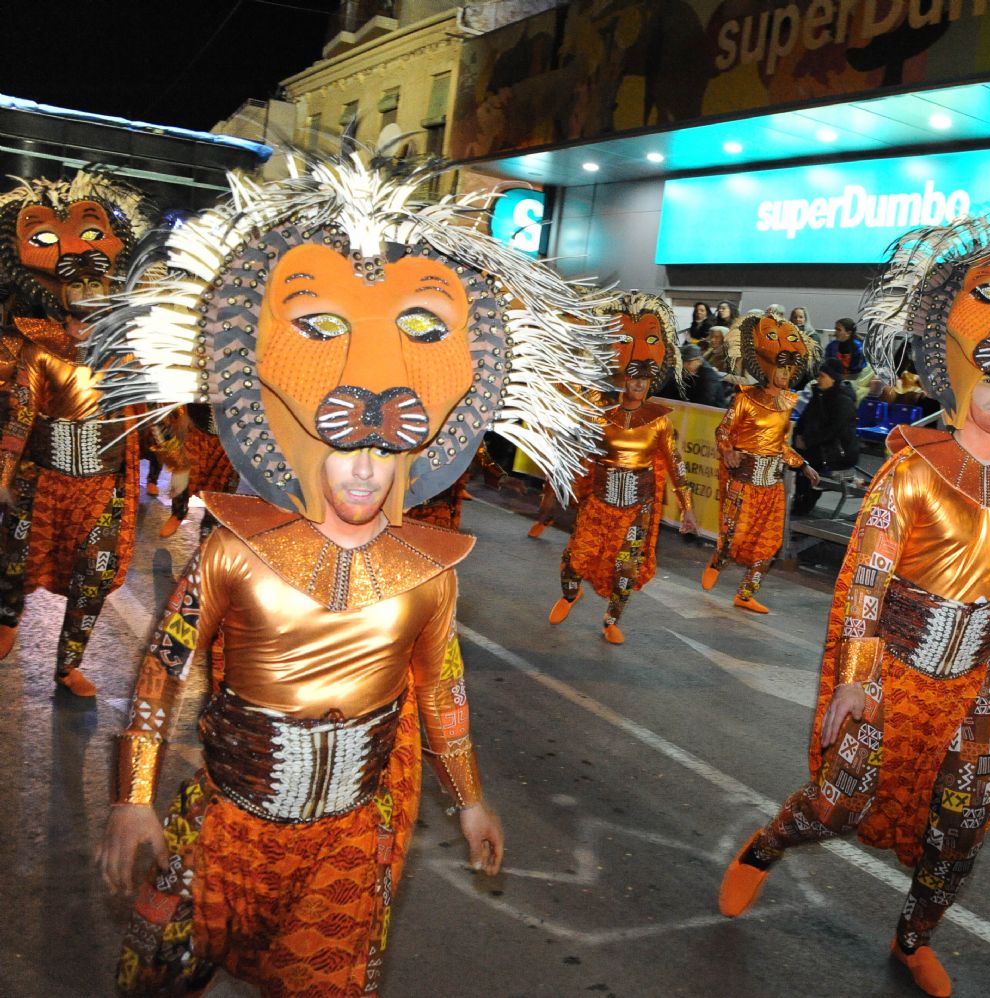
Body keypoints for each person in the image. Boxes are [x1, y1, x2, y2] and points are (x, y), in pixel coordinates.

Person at [91, 148, 614, 996]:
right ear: (301, 446)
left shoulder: (426, 571)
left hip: (346, 842)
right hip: (224, 828)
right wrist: (133, 795)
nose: (365, 470)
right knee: (148, 980)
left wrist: (472, 799)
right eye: (345, 450)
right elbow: (162, 666)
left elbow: (442, 692)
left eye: (381, 454)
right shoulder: (234, 548)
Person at [718, 209, 990, 998]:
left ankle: (913, 938)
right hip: (892, 668)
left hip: (979, 684)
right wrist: (852, 676)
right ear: (959, 380)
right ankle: (770, 843)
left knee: (962, 827)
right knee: (838, 803)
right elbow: (864, 580)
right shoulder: (911, 472)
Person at [0, 172, 165, 697]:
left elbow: (152, 418)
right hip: (41, 480)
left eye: (98, 284)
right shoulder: (39, 350)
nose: (90, 293)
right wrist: (3, 474)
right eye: (80, 286)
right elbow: (20, 417)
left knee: (92, 582)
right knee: (12, 562)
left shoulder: (128, 355)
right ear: (61, 294)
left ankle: (67, 665)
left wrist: (176, 461)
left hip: (103, 488)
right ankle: (6, 621)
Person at [549, 291, 698, 643]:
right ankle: (571, 594)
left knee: (626, 569)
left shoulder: (659, 421)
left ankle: (611, 620)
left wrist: (688, 509)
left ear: (651, 382)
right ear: (622, 378)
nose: (637, 383)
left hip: (638, 509)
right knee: (575, 560)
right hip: (599, 502)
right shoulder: (599, 412)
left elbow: (675, 466)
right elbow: (574, 445)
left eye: (644, 379)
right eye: (632, 377)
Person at [701, 307, 817, 613]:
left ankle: (746, 593)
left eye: (789, 370)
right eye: (780, 368)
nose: (785, 375)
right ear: (768, 368)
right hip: (744, 483)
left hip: (772, 486)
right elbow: (723, 431)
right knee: (733, 538)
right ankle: (719, 559)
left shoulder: (788, 404)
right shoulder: (745, 399)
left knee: (769, 543)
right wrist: (728, 450)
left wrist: (802, 465)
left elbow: (779, 445)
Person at [157, 403, 240, 538]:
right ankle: (178, 512)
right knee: (184, 469)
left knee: (222, 483)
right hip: (198, 424)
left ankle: (210, 524)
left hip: (231, 435)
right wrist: (184, 414)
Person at [790, 357, 857, 516]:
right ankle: (799, 500)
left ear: (833, 379)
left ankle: (803, 503)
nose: (818, 379)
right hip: (818, 445)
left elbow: (833, 431)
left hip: (838, 451)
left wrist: (807, 441)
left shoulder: (843, 400)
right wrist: (798, 436)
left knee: (807, 461)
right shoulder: (818, 395)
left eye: (822, 376)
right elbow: (804, 419)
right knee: (792, 456)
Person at [658, 342, 729, 407]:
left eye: (688, 362)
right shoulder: (683, 371)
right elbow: (667, 391)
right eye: (683, 361)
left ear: (699, 361)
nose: (684, 365)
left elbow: (702, 403)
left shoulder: (708, 378)